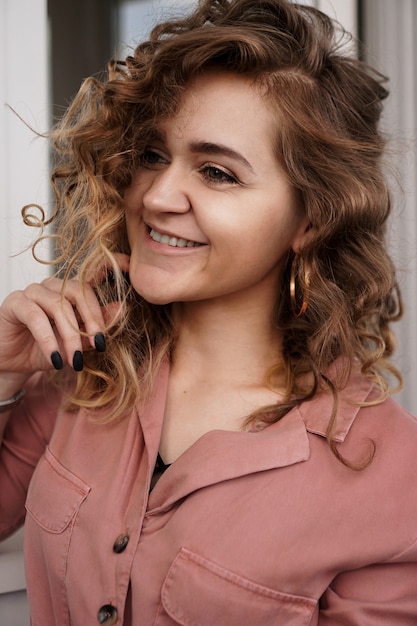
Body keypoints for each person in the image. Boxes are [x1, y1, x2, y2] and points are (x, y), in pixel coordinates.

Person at [1, 0, 417, 623]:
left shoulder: (392, 477)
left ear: (310, 220)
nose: (158, 196)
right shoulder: (82, 376)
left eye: (217, 172)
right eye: (152, 155)